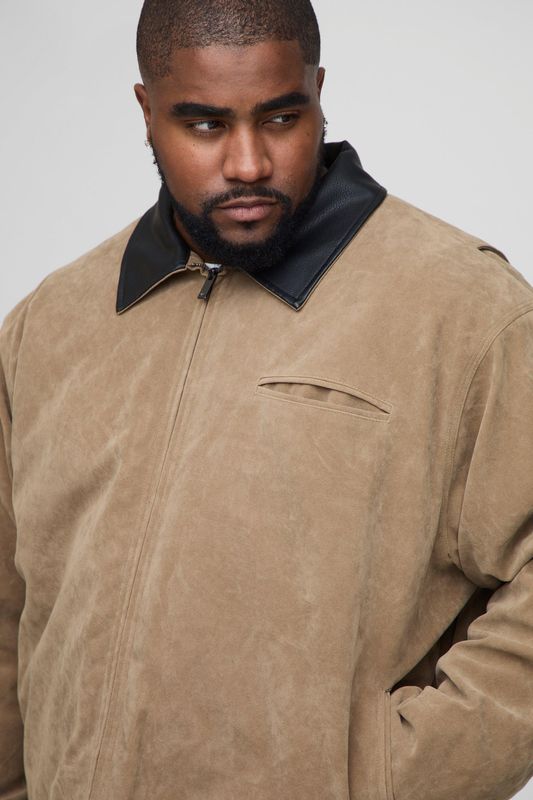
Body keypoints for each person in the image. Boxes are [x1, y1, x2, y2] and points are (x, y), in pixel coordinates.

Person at [1, 1, 532, 798]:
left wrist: (390, 775)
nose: (248, 163)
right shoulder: (51, 324)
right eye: (205, 125)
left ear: (318, 93)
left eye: (282, 118)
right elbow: (10, 611)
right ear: (147, 111)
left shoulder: (462, 308)